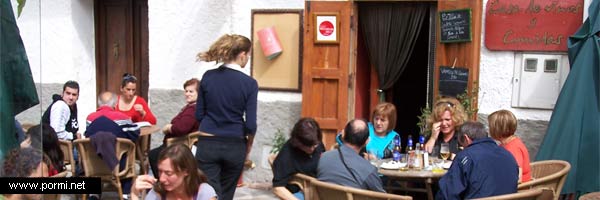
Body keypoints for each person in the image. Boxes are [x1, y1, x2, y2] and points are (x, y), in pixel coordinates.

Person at [194, 34, 258, 200]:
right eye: (249, 55)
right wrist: (248, 145)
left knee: (210, 194)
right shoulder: (249, 83)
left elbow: (199, 114)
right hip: (235, 144)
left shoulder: (208, 76)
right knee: (227, 194)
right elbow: (251, 124)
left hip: (208, 142)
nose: (248, 59)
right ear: (242, 54)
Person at [436, 121, 518, 200]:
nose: (462, 147)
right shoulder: (508, 155)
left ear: (466, 138)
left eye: (461, 144)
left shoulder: (466, 156)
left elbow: (447, 194)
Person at [149, 78, 201, 179]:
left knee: (154, 155)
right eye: (186, 91)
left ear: (198, 93)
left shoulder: (193, 109)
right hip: (177, 143)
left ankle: (163, 183)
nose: (187, 94)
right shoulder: (191, 107)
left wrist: (169, 128)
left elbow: (181, 128)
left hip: (179, 145)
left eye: (191, 91)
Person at [317, 119, 385, 192]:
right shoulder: (369, 170)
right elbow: (382, 196)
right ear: (367, 141)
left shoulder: (324, 157)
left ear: (343, 134)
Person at [131, 144, 217, 200]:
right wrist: (134, 194)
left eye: (168, 173)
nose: (161, 179)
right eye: (160, 171)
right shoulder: (157, 193)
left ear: (186, 171)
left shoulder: (203, 193)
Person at [272, 118, 326, 200]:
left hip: (319, 187)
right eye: (307, 147)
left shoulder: (315, 141)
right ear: (297, 143)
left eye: (315, 145)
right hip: (300, 192)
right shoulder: (287, 155)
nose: (312, 149)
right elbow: (278, 188)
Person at [488, 109, 531, 183]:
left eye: (490, 127)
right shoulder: (505, 144)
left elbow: (518, 178)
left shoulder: (514, 148)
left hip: (519, 191)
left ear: (497, 129)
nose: (488, 130)